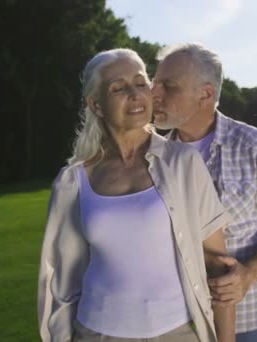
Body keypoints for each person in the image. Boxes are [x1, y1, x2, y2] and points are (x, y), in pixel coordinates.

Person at [37, 48, 235, 342]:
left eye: (141, 83)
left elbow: (221, 269)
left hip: (176, 333)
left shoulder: (183, 163)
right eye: (118, 88)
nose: (134, 94)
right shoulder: (72, 182)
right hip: (93, 333)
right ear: (96, 105)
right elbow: (62, 285)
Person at [151, 43, 257, 342]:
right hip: (171, 321)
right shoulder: (152, 155)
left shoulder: (254, 145)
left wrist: (248, 274)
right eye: (154, 83)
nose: (154, 94)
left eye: (168, 86)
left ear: (206, 94)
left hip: (247, 318)